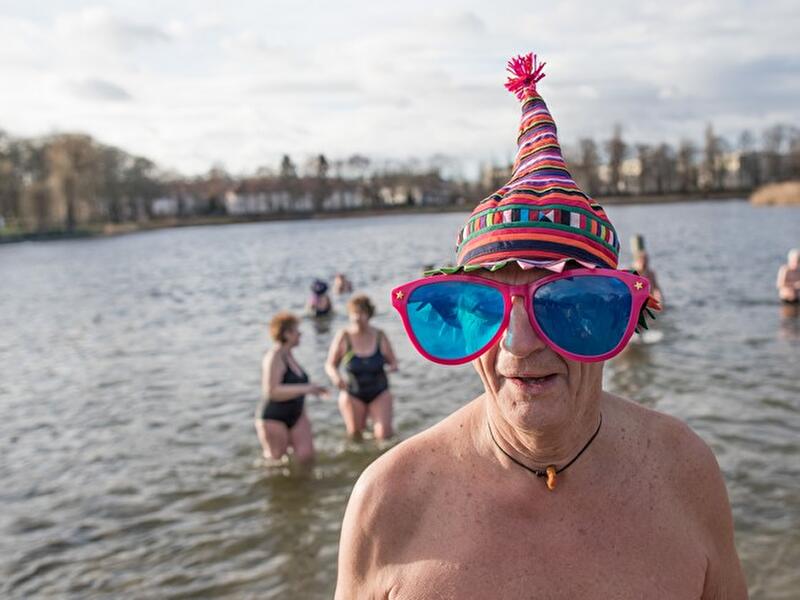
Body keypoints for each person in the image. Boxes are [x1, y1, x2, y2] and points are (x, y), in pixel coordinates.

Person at [336, 53, 746, 598]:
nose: (519, 343)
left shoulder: (684, 472)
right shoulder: (389, 501)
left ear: (617, 315)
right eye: (486, 306)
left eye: (564, 304)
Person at [255, 311, 327, 463]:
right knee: (276, 462)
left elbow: (294, 385)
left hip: (296, 414)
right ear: (286, 334)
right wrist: (306, 389)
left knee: (307, 457)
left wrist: (311, 388)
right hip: (274, 417)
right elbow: (271, 391)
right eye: (297, 331)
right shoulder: (274, 356)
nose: (300, 334)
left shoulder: (288, 355)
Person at [325, 294, 398, 440]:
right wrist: (336, 377)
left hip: (379, 391)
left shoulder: (379, 336)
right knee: (355, 434)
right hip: (353, 393)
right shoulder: (344, 336)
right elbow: (330, 365)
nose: (358, 317)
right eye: (354, 313)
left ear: (369, 315)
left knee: (384, 434)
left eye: (362, 313)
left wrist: (392, 368)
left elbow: (393, 362)